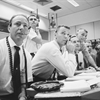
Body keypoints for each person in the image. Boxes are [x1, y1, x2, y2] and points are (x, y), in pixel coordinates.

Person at [0, 14, 33, 100]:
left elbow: (23, 82)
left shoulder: (27, 55)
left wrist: (22, 95)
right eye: (17, 24)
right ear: (9, 28)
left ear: (28, 31)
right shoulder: (0, 47)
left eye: (25, 25)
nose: (21, 27)